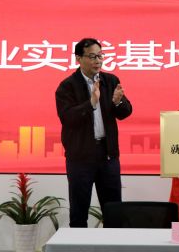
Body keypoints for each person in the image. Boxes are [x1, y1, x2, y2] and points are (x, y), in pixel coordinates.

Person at [55, 37, 132, 227]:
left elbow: (125, 112)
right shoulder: (67, 86)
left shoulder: (110, 81)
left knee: (114, 212)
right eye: (92, 57)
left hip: (108, 156)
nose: (98, 61)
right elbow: (68, 118)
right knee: (79, 214)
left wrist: (118, 102)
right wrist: (91, 103)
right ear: (78, 58)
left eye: (100, 56)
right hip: (80, 158)